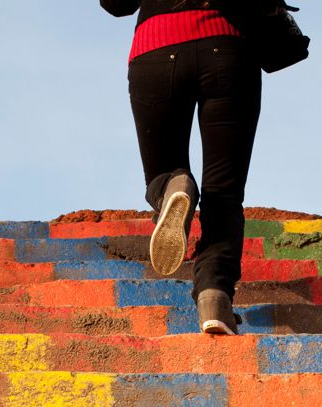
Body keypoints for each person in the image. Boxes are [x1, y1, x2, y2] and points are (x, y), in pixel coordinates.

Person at [100, 0, 264, 335]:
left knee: (163, 172)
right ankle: (214, 296)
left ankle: (173, 186)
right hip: (227, 48)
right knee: (224, 193)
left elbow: (116, 4)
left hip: (156, 49)